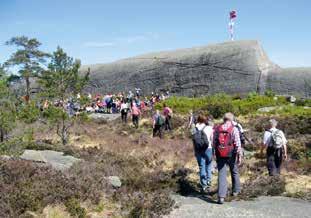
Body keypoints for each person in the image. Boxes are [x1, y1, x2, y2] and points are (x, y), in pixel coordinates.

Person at [214, 112, 242, 204]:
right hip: (231, 154)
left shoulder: (217, 128)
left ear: (224, 119)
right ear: (232, 119)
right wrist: (239, 155)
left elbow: (214, 142)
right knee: (234, 170)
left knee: (222, 173)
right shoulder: (234, 129)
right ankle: (236, 191)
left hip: (220, 153)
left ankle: (221, 197)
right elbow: (237, 143)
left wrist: (215, 153)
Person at [193, 115, 214, 192]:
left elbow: (194, 140)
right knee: (208, 164)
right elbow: (212, 140)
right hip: (208, 148)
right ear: (205, 120)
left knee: (202, 166)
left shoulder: (194, 128)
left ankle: (203, 185)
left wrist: (195, 150)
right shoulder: (209, 128)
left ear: (198, 120)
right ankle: (209, 181)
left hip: (198, 149)